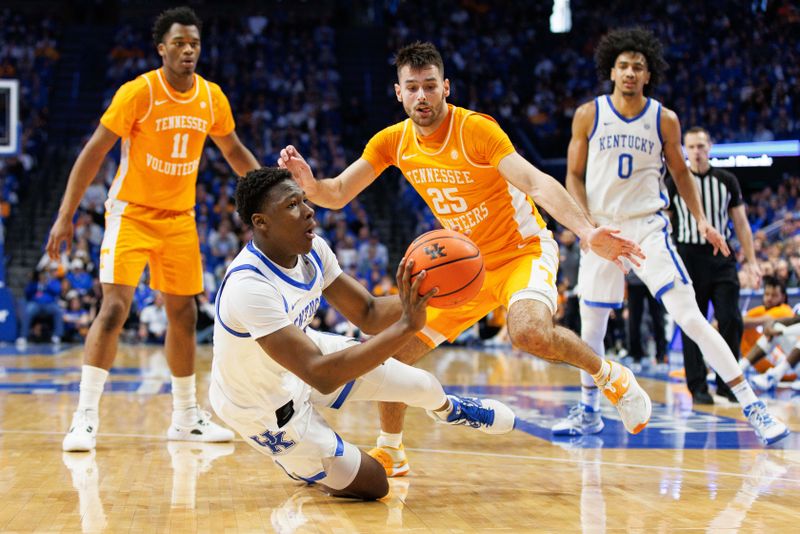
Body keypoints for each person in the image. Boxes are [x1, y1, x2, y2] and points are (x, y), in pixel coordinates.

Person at [280, 41, 652, 477]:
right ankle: (391, 450)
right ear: (398, 93)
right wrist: (310, 185)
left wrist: (587, 232)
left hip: (521, 252)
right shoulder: (392, 142)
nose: (422, 96)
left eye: (430, 86)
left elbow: (535, 181)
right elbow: (339, 193)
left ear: (446, 88)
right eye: (413, 87)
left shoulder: (476, 130)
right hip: (466, 268)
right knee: (393, 351)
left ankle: (610, 376)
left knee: (528, 332)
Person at [210, 167, 515, 500]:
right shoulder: (249, 286)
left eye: (304, 200)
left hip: (303, 356)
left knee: (420, 385)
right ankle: (297, 462)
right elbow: (320, 376)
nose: (309, 210)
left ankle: (449, 410)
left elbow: (367, 313)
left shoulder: (312, 249)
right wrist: (405, 327)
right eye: (292, 204)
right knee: (374, 484)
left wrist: (425, 293)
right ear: (260, 222)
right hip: (260, 402)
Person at [48, 7, 260, 452]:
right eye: (179, 43)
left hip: (179, 218)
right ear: (161, 48)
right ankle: (85, 417)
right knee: (114, 309)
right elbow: (93, 153)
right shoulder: (138, 92)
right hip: (131, 212)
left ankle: (185, 417)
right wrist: (66, 213)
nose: (188, 50)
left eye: (195, 44)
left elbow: (234, 149)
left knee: (183, 314)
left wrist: (270, 194)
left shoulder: (211, 97)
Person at [562, 27, 788, 445]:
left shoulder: (664, 118)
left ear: (648, 76)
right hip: (601, 228)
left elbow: (681, 173)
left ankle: (752, 405)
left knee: (690, 317)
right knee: (591, 327)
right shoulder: (588, 114)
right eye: (624, 66)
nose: (630, 73)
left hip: (647, 226)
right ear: (611, 70)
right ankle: (587, 410)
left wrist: (701, 219)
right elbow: (573, 176)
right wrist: (587, 227)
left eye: (639, 67)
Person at [665, 126, 761, 404]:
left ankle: (727, 383)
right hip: (687, 255)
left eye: (701, 146)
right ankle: (697, 386)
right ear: (685, 149)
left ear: (710, 148)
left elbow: (741, 223)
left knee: (731, 317)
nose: (697, 152)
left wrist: (752, 261)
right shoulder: (675, 181)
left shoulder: (727, 180)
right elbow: (666, 223)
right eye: (691, 147)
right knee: (692, 321)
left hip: (721, 255)